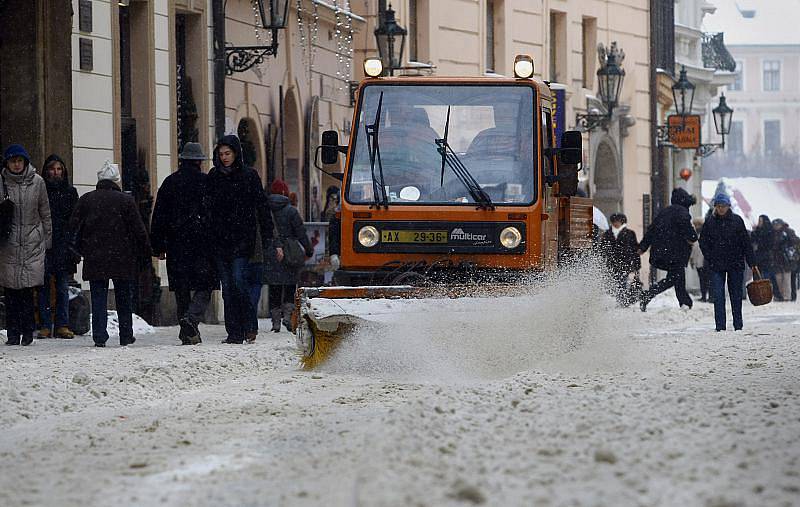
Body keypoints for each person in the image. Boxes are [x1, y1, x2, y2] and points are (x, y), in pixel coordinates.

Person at [69, 161, 151, 347]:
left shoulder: (87, 199)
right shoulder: (126, 201)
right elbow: (139, 230)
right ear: (117, 181)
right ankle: (126, 334)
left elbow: (73, 227)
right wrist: (146, 253)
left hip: (95, 256)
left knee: (99, 298)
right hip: (122, 257)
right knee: (123, 298)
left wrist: (81, 248)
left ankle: (99, 335)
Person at [205, 135, 273, 344]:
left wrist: (268, 233)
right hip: (220, 240)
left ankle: (249, 326)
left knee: (238, 282)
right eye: (221, 154)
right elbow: (207, 207)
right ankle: (234, 332)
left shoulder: (249, 176)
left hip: (242, 239)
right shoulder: (214, 176)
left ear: (236, 153)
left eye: (228, 153)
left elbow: (261, 206)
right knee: (227, 288)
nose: (225, 158)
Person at [150, 142, 217, 345]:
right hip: (202, 244)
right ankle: (192, 319)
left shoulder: (170, 182)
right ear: (199, 161)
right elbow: (214, 215)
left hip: (176, 243)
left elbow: (159, 216)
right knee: (206, 285)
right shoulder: (206, 183)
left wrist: (158, 246)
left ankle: (187, 330)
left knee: (181, 289)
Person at [0, 144, 52, 346]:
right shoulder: (2, 181)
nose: (16, 164)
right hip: (8, 243)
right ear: (7, 163)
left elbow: (45, 212)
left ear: (25, 162)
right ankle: (13, 333)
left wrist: (46, 239)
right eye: (12, 161)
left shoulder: (37, 182)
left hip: (32, 242)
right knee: (11, 292)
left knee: (27, 292)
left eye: (19, 161)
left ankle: (28, 331)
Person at [699, 193, 756, 331]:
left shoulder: (737, 221)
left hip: (735, 263)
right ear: (715, 207)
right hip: (716, 264)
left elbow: (745, 243)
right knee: (718, 296)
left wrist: (752, 262)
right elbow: (703, 242)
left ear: (728, 206)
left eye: (723, 206)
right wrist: (710, 257)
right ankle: (720, 326)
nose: (721, 208)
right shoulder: (710, 222)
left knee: (736, 295)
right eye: (719, 206)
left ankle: (738, 324)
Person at [263, 179, 313, 332]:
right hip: (291, 252)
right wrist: (308, 249)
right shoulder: (291, 211)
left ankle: (275, 321)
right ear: (285, 193)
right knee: (290, 283)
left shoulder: (266, 209)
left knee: (274, 285)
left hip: (271, 251)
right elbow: (301, 232)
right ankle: (287, 316)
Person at [37, 154, 79, 339]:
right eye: (52, 169)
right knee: (43, 287)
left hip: (63, 245)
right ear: (46, 171)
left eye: (59, 169)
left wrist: (72, 243)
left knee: (62, 287)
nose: (56, 172)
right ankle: (45, 324)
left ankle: (62, 323)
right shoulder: (41, 190)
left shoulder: (70, 192)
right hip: (43, 244)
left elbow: (75, 220)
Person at [638, 188, 698, 311]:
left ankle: (684, 302)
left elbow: (651, 230)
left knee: (677, 277)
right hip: (676, 253)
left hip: (661, 252)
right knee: (674, 279)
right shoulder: (683, 213)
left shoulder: (663, 212)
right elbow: (691, 236)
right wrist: (692, 237)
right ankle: (648, 295)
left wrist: (643, 247)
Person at [598, 213, 641, 306]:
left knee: (622, 281)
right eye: (614, 221)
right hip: (611, 263)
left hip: (625, 263)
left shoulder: (630, 233)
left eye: (618, 221)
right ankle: (618, 300)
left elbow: (635, 250)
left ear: (622, 222)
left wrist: (637, 266)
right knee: (614, 281)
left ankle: (622, 301)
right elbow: (602, 248)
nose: (616, 223)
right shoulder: (607, 234)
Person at [751, 215, 780, 300]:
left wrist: (760, 244)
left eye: (760, 221)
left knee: (768, 276)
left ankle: (774, 294)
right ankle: (758, 295)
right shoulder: (758, 231)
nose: (759, 222)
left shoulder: (769, 231)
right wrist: (754, 231)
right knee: (757, 276)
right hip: (759, 257)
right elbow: (753, 240)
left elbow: (768, 244)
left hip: (766, 257)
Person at [772, 219, 798, 301]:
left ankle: (787, 296)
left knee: (787, 279)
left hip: (787, 259)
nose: (776, 226)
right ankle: (781, 295)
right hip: (777, 258)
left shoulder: (788, 232)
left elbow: (795, 242)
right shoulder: (773, 233)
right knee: (779, 278)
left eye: (777, 225)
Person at [689, 218, 711, 303]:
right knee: (702, 280)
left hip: (705, 260)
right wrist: (691, 259)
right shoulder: (694, 235)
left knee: (707, 279)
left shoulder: (706, 234)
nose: (697, 226)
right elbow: (693, 249)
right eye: (696, 224)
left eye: (699, 224)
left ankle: (709, 296)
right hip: (698, 260)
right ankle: (704, 296)